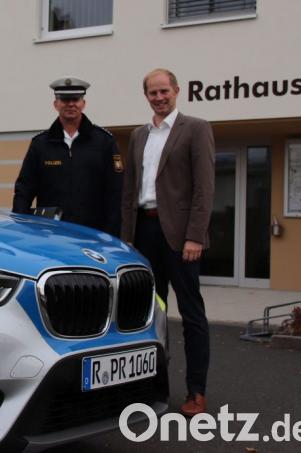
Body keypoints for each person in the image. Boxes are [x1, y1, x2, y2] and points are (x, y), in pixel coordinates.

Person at [120, 68, 215, 417]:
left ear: (177, 91)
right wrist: (126, 240)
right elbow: (129, 190)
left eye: (164, 91)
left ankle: (197, 392)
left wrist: (195, 236)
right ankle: (152, 388)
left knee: (192, 315)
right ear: (146, 96)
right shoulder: (137, 136)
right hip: (144, 235)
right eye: (152, 93)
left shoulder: (196, 129)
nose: (159, 98)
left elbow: (205, 189)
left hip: (180, 237)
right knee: (149, 316)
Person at [12, 77, 122, 236]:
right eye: (64, 99)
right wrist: (20, 228)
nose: (70, 104)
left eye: (75, 99)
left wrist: (112, 234)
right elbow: (25, 190)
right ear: (55, 104)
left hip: (94, 234)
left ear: (83, 103)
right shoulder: (40, 144)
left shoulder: (104, 142)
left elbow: (115, 192)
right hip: (51, 234)